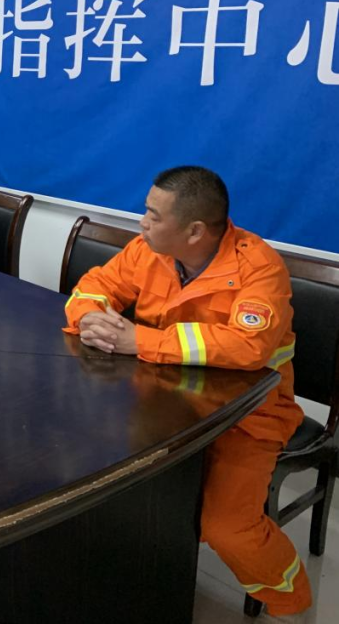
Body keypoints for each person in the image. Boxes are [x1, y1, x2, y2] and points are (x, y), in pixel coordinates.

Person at [63, 166, 310, 616]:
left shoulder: (259, 267)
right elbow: (96, 286)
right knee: (88, 470)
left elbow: (249, 347)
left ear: (194, 231)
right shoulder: (149, 250)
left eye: (153, 215)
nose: (142, 222)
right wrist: (89, 317)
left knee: (227, 528)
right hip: (159, 402)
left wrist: (140, 340)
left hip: (248, 416)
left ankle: (291, 599)